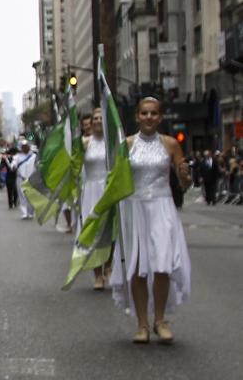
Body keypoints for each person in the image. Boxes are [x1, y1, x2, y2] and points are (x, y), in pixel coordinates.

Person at [110, 97, 192, 344]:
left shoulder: (170, 144)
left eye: (154, 113)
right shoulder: (126, 145)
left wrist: (185, 176)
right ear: (137, 116)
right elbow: (117, 180)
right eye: (144, 113)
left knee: (162, 266)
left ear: (160, 117)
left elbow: (184, 183)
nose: (149, 117)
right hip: (135, 210)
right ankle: (142, 324)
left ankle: (160, 320)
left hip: (162, 208)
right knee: (137, 268)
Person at [79, 108, 110, 290]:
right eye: (95, 118)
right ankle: (97, 275)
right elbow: (74, 164)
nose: (98, 121)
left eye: (101, 118)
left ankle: (108, 265)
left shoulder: (115, 142)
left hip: (108, 190)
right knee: (94, 234)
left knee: (110, 232)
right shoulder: (84, 143)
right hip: (91, 191)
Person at [12, 140, 37, 220]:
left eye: (26, 146)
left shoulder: (34, 156)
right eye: (23, 147)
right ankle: (24, 213)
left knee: (31, 196)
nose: (25, 148)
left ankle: (31, 213)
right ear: (21, 148)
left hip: (31, 179)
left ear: (29, 147)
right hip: (20, 178)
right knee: (22, 196)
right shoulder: (17, 157)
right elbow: (13, 165)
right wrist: (13, 166)